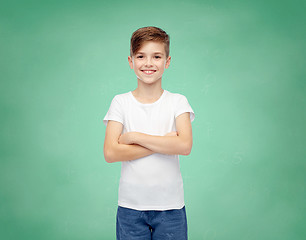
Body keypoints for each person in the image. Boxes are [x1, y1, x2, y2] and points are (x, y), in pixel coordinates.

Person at [103, 26, 195, 240]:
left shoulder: (178, 102)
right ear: (131, 61)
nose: (148, 63)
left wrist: (133, 137)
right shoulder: (121, 102)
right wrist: (165, 142)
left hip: (171, 207)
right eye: (141, 56)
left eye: (156, 56)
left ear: (167, 61)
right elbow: (110, 153)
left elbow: (184, 146)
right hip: (130, 207)